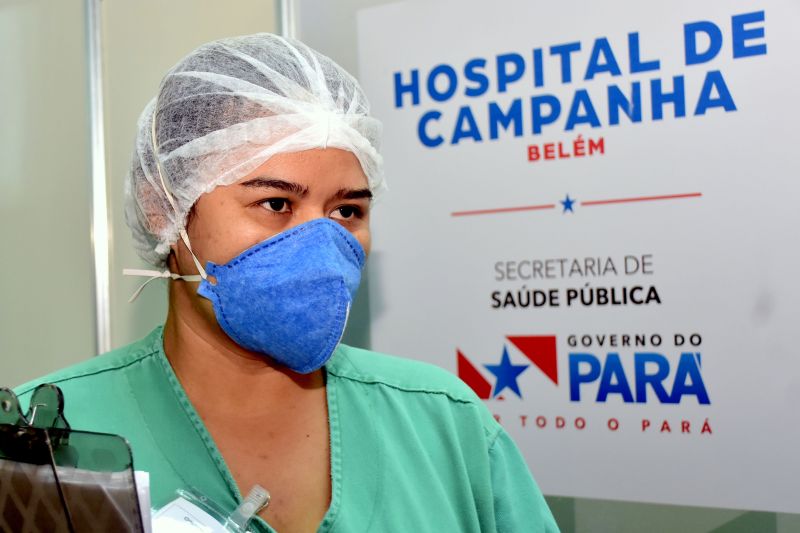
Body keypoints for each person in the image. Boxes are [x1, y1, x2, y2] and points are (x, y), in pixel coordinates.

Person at [15, 34, 558, 532]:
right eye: (275, 203)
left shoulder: (442, 422)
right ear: (165, 211)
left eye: (347, 211)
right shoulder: (40, 437)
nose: (321, 246)